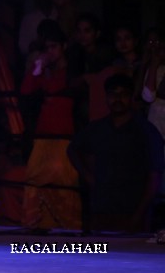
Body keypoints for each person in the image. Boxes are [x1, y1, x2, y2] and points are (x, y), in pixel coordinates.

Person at [68, 73, 164, 233]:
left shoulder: (146, 131)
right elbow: (72, 149)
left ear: (131, 97)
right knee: (100, 255)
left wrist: (139, 214)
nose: (118, 99)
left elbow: (155, 176)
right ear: (106, 97)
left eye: (123, 94)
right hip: (102, 209)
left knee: (132, 257)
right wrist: (88, 176)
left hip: (133, 211)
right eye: (113, 94)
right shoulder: (97, 128)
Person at [20, 19, 82, 231]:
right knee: (34, 180)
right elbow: (27, 91)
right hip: (43, 135)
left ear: (63, 47)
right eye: (47, 48)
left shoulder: (72, 70)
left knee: (64, 183)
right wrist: (38, 67)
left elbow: (63, 89)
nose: (50, 52)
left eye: (54, 47)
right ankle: (37, 228)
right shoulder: (45, 70)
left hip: (65, 136)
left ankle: (70, 231)